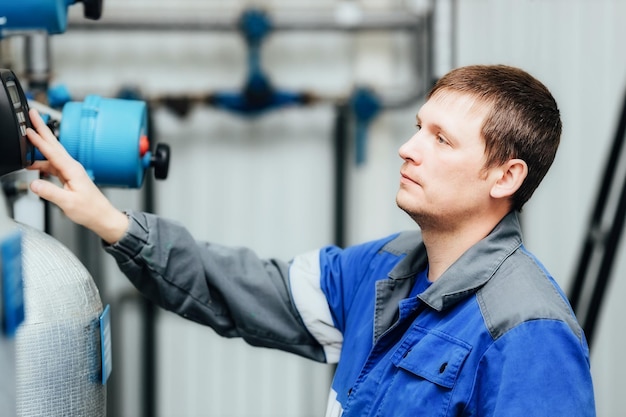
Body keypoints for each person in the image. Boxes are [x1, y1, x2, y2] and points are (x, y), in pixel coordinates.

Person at [25, 64, 595, 416]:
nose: (409, 147)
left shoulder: (528, 333)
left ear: (505, 177)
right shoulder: (384, 269)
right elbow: (246, 289)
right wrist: (112, 223)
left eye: (442, 139)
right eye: (419, 126)